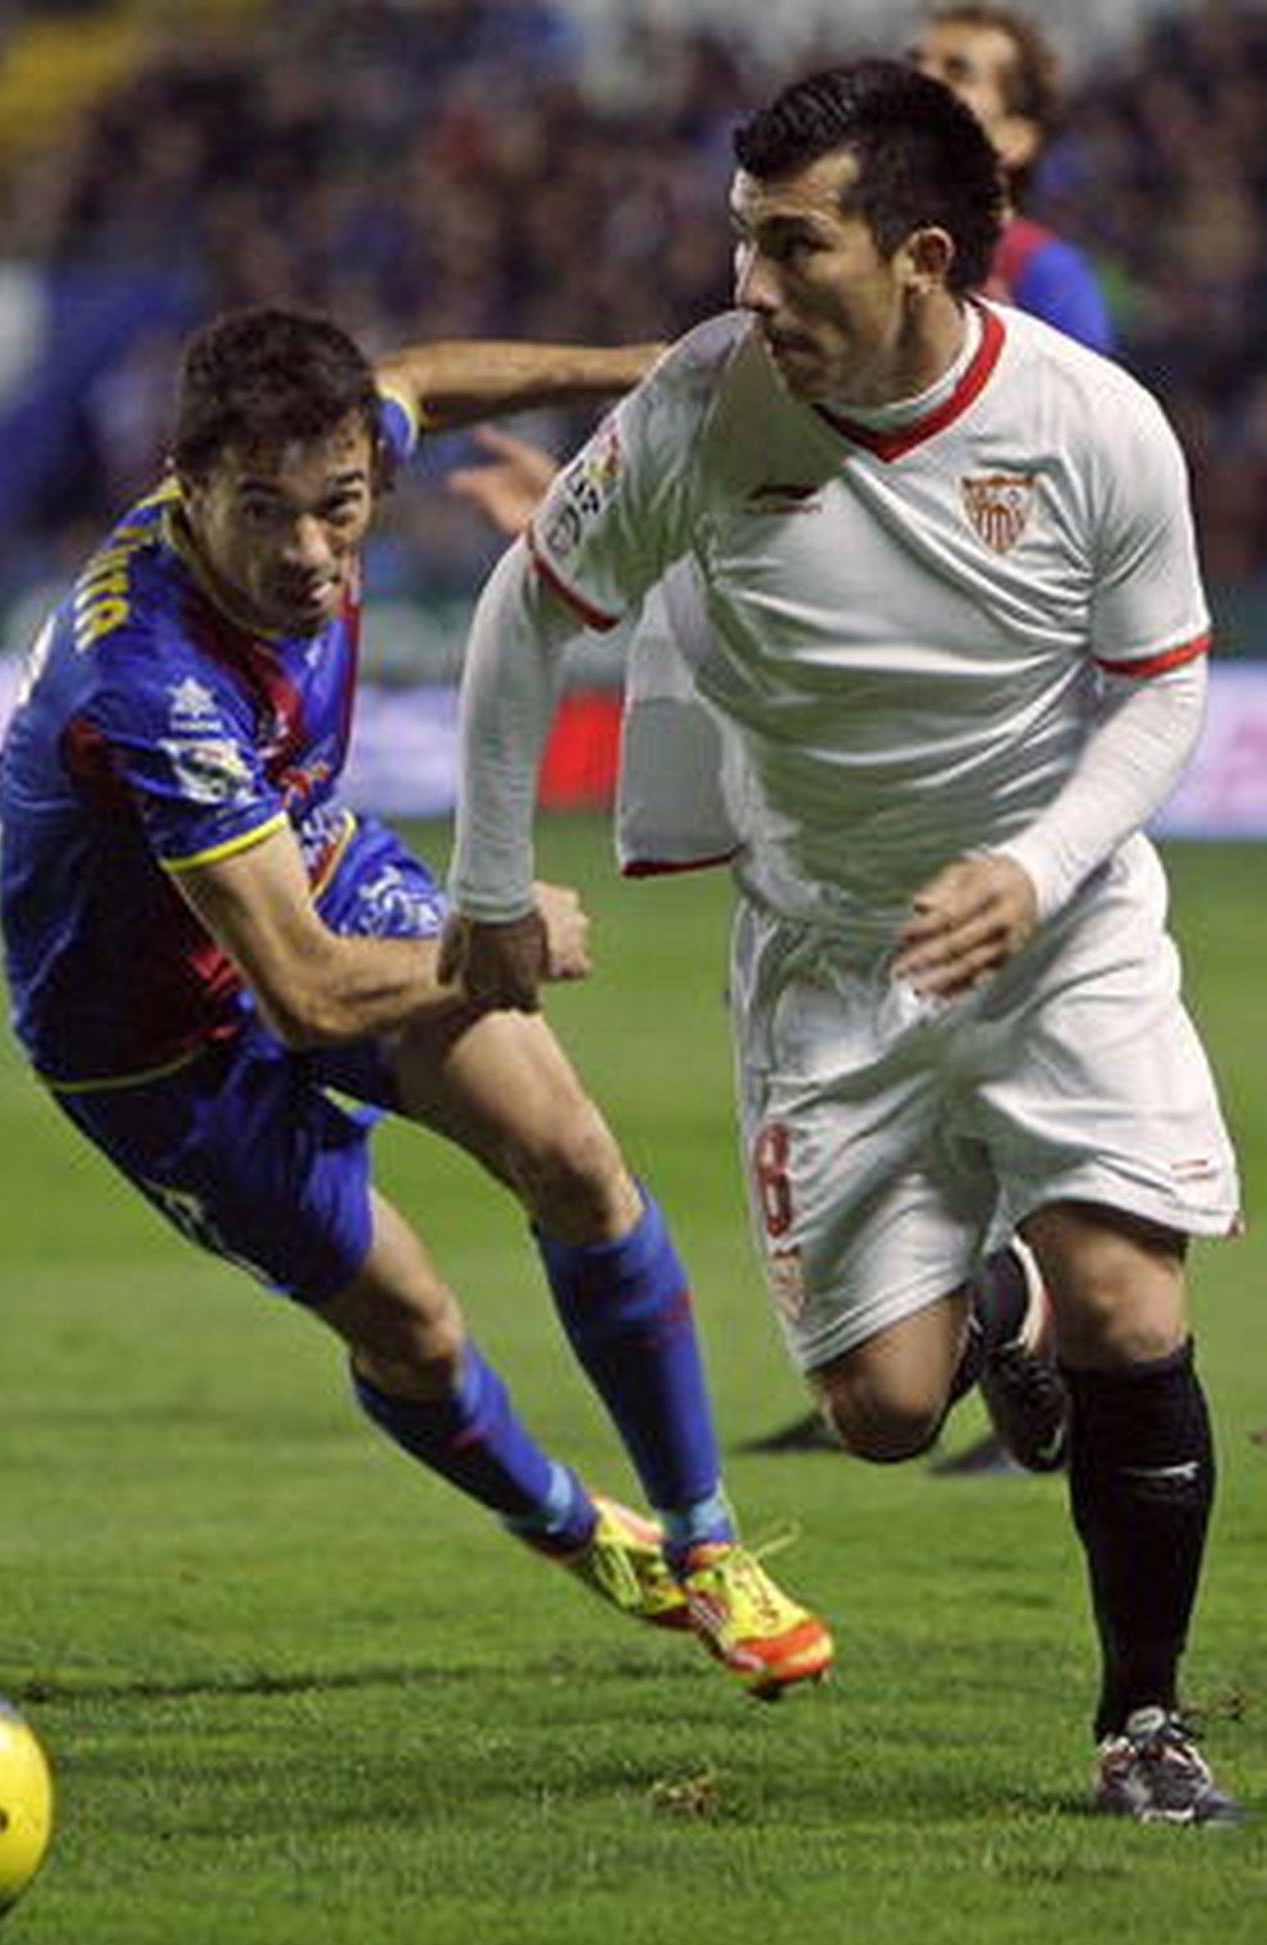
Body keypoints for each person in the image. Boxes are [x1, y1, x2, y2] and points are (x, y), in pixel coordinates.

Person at [443, 61, 1242, 1822]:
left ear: (925, 256)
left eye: (793, 245)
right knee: (882, 1409)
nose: (751, 284)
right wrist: (490, 885)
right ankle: (998, 1305)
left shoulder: (1094, 426)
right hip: (824, 954)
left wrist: (1034, 868)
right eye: (743, 239)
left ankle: (1145, 1722)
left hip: (1059, 929)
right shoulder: (703, 407)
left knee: (1134, 1303)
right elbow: (525, 619)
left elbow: (1163, 695)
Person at [0, 306, 833, 1700]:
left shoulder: (329, 445)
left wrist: (643, 372)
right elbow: (308, 991)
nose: (312, 553)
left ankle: (706, 1543)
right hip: (146, 1041)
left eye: (340, 507)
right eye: (264, 512)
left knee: (570, 1152)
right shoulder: (149, 679)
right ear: (184, 484)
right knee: (415, 1330)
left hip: (304, 855)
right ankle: (570, 1526)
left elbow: (422, 382)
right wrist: (496, 932)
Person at [448, 2, 1117, 1478]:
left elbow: (956, 523)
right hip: (819, 832)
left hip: (988, 806)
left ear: (1008, 142)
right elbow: (803, 525)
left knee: (1058, 1152)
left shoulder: (1041, 308)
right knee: (877, 1385)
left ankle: (1056, 1342)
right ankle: (967, 1324)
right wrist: (607, 526)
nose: (925, 87)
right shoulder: (776, 347)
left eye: (959, 80)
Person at [910, 3, 1113, 351]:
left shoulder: (1046, 274)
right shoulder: (851, 249)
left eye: (958, 72)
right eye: (914, 63)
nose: (919, 79)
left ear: (1016, 138)